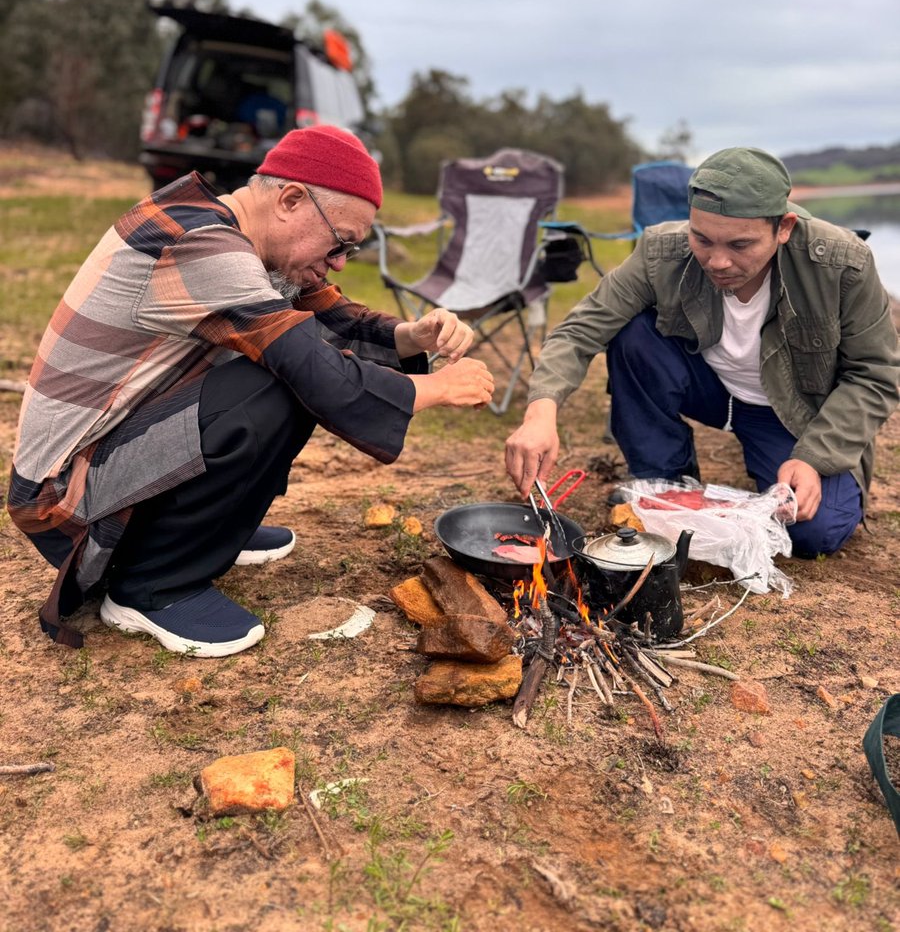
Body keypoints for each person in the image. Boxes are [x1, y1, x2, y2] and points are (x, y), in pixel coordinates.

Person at [8, 125, 494, 656]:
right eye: (341, 243)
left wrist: (411, 336)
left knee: (288, 365)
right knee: (278, 382)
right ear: (290, 199)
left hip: (105, 455)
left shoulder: (237, 237)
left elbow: (328, 313)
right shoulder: (200, 244)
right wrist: (435, 388)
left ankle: (208, 535)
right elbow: (314, 368)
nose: (339, 262)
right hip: (63, 500)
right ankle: (149, 585)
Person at [506, 147, 899, 558]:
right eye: (702, 239)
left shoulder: (842, 264)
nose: (718, 260)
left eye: (740, 244)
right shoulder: (662, 251)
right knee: (634, 334)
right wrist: (541, 412)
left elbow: (874, 375)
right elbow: (578, 331)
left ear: (783, 227)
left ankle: (776, 461)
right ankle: (666, 478)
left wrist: (815, 458)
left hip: (796, 414)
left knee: (813, 533)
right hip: (711, 389)